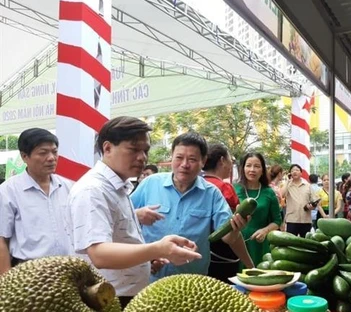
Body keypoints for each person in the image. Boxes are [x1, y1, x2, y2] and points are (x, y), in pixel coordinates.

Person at [65, 117, 201, 308]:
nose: (142, 157)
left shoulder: (118, 188)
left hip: (125, 294)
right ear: (107, 148)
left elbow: (118, 240)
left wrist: (147, 259)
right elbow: (99, 254)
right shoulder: (92, 190)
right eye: (134, 149)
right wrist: (158, 248)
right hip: (106, 299)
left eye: (145, 150)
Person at [131, 132, 248, 282]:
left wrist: (235, 227)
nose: (184, 165)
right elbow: (121, 221)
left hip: (192, 284)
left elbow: (227, 236)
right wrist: (136, 214)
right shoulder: (150, 184)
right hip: (149, 279)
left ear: (203, 161)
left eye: (192, 159)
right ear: (172, 156)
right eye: (179, 158)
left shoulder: (212, 194)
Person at [0, 128, 72, 275]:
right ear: (25, 156)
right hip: (28, 275)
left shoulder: (68, 187)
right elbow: (2, 240)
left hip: (68, 270)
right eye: (43, 153)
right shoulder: (8, 191)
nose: (51, 158)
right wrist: (5, 281)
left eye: (54, 151)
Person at [202, 143, 254, 282]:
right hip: (222, 257)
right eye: (230, 159)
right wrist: (249, 264)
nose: (232, 165)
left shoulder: (196, 184)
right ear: (222, 160)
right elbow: (232, 232)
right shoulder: (224, 188)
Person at [234, 152, 282, 267]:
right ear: (243, 168)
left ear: (262, 170)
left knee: (260, 278)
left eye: (257, 166)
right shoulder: (234, 189)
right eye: (248, 165)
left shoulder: (269, 192)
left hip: (260, 243)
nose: (252, 170)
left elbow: (277, 221)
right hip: (237, 243)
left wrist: (265, 231)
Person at [280, 164, 315, 238]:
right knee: (291, 243)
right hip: (292, 219)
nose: (294, 172)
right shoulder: (288, 185)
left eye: (297, 170)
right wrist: (287, 181)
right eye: (292, 171)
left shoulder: (307, 186)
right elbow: (281, 195)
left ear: (301, 173)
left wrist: (312, 206)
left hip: (306, 220)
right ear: (290, 174)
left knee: (305, 244)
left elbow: (314, 200)